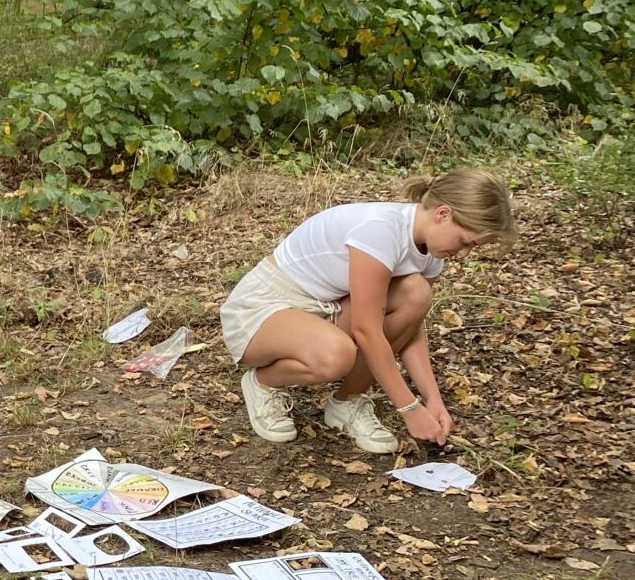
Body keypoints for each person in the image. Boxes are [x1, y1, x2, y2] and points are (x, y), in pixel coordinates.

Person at [220, 170, 516, 453]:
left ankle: (346, 402)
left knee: (416, 293)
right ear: (443, 214)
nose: (463, 254)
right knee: (336, 355)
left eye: (472, 247)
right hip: (262, 309)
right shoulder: (380, 231)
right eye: (464, 242)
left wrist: (432, 399)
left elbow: (410, 329)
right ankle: (263, 382)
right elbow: (367, 330)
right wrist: (409, 409)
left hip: (325, 308)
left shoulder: (430, 252)